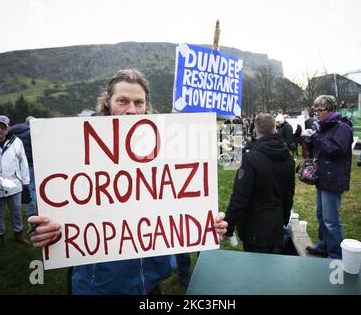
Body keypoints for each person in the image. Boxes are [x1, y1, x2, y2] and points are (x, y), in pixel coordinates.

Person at [28, 69, 228, 295]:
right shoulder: (75, 149)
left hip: (150, 282)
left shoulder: (164, 151)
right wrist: (41, 228)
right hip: (98, 286)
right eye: (123, 101)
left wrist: (204, 225)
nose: (132, 111)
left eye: (138, 102)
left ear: (146, 105)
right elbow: (55, 210)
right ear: (107, 102)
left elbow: (177, 207)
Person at [224, 113, 295, 254]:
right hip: (274, 224)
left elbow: (240, 197)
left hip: (255, 228)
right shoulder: (288, 158)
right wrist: (283, 219)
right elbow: (289, 195)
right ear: (275, 129)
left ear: (255, 132)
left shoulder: (251, 158)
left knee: (258, 273)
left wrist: (229, 225)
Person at [303, 95, 353, 259]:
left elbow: (337, 151)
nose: (316, 113)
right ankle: (324, 246)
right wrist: (310, 142)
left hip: (334, 178)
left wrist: (316, 138)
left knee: (331, 219)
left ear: (331, 110)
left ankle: (335, 253)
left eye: (320, 110)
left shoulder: (342, 127)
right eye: (315, 109)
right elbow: (321, 151)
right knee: (321, 215)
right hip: (324, 176)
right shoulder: (324, 126)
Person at [0, 115, 31, 251]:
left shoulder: (17, 142)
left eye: (3, 128)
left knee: (16, 212)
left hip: (14, 185)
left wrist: (25, 182)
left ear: (8, 129)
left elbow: (23, 162)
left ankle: (18, 235)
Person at [10, 116, 37, 217]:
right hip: (30, 163)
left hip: (16, 163)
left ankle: (16, 211)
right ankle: (31, 211)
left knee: (19, 186)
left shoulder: (15, 131)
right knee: (31, 187)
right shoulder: (31, 132)